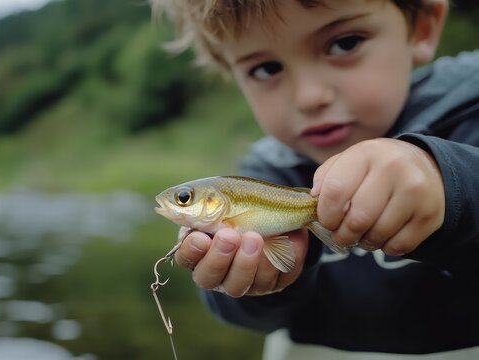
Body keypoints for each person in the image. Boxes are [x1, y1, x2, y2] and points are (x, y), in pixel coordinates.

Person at [151, 0, 479, 358]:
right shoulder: (263, 171)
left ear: (423, 27)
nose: (309, 97)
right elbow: (243, 313)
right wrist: (253, 283)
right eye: (265, 68)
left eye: (345, 43)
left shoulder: (470, 113)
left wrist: (451, 184)